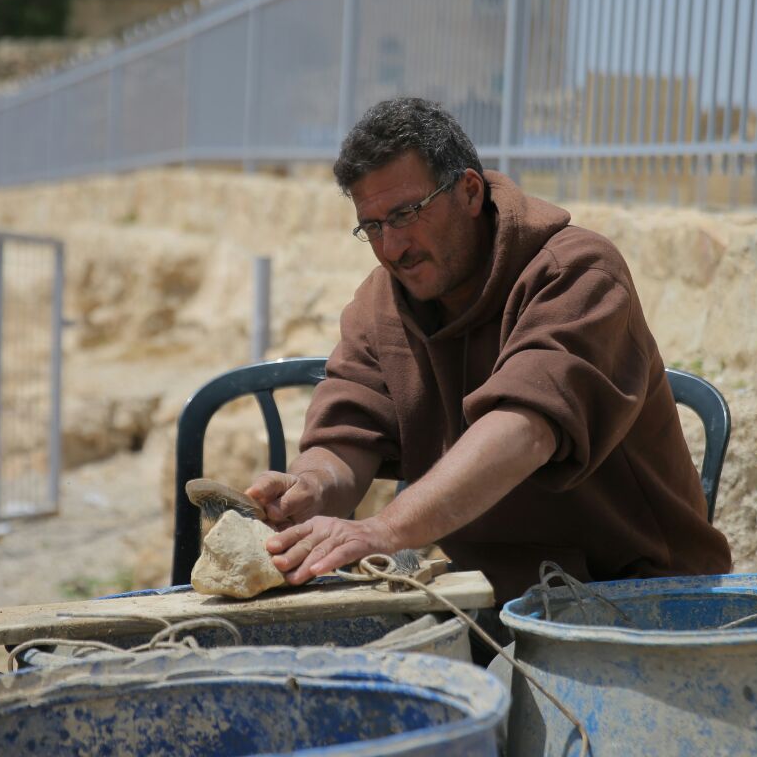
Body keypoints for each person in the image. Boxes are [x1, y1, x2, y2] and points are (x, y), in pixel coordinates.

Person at [245, 97, 731, 608]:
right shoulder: (379, 305)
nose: (392, 247)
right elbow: (346, 440)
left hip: (640, 597)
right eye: (373, 226)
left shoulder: (578, 273)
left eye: (406, 213)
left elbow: (524, 430)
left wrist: (385, 529)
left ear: (470, 192)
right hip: (484, 599)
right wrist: (310, 487)